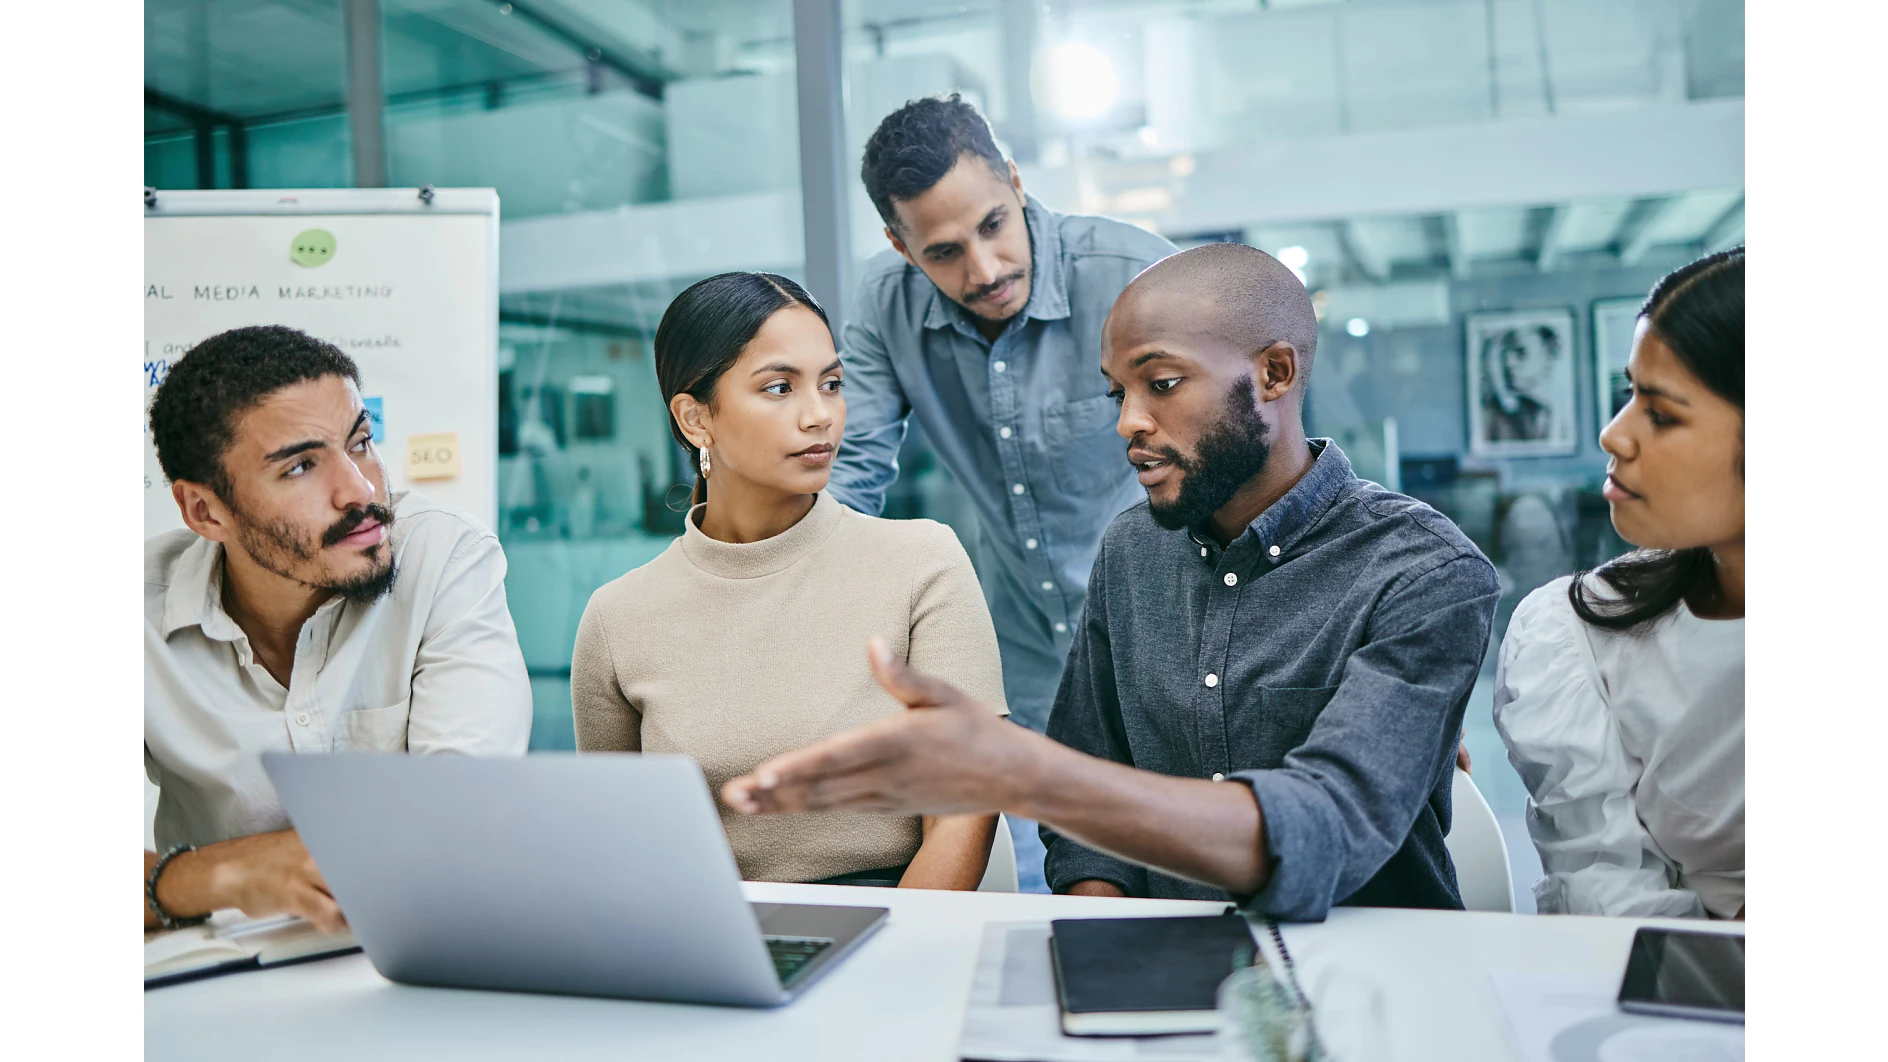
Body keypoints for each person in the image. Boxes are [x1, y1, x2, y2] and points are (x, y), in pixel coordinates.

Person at [721, 244, 1500, 921]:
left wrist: (1023, 774)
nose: (1127, 421)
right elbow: (1086, 811)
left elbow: (1325, 830)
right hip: (1155, 973)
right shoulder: (1131, 551)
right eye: (1116, 393)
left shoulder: (1426, 572)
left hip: (1369, 981)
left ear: (1274, 373)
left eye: (1160, 384)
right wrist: (1104, 938)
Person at [571, 272, 1005, 890]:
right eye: (779, 388)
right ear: (696, 419)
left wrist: (892, 958)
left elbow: (968, 800)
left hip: (899, 929)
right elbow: (618, 840)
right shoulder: (618, 616)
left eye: (831, 384)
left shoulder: (921, 561)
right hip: (709, 940)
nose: (819, 415)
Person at [144, 325, 532, 933]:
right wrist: (223, 876)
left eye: (361, 443)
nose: (360, 489)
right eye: (300, 467)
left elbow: (468, 821)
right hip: (211, 976)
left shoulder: (444, 556)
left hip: (420, 947)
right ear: (205, 511)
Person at [830, 94, 1177, 737]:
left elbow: (1237, 452)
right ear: (900, 246)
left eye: (992, 225)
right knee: (1028, 837)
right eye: (943, 252)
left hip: (1175, 639)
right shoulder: (886, 308)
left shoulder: (1137, 276)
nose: (984, 271)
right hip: (1025, 657)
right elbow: (850, 471)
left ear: (1016, 183)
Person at [1492, 249, 1745, 920]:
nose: (1614, 434)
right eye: (1628, 394)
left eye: (1660, 414)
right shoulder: (1577, 633)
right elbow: (1607, 903)